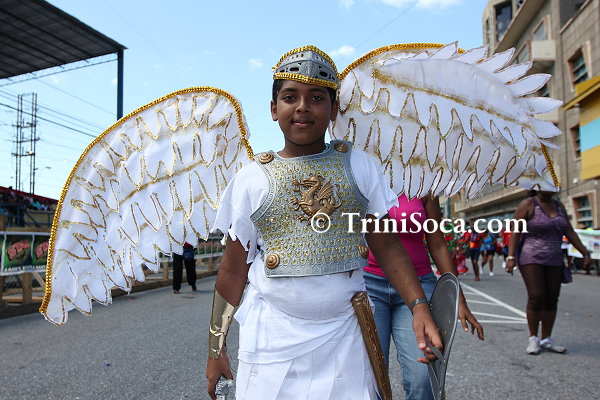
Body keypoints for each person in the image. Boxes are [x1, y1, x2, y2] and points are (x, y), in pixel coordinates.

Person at [205, 46, 443, 400]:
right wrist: (215, 349)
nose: (303, 107)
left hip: (346, 335)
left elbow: (388, 247)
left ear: (333, 109)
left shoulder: (360, 167)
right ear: (274, 109)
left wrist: (419, 306)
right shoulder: (251, 178)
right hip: (270, 338)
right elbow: (233, 269)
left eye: (316, 98)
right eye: (290, 97)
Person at [364, 195, 484, 400]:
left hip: (418, 285)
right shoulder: (365, 179)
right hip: (369, 283)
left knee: (423, 379)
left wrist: (459, 299)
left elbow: (437, 243)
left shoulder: (425, 185)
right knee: (371, 379)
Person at [506, 190, 591, 354]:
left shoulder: (559, 206)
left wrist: (585, 253)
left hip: (554, 258)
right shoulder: (528, 204)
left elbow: (569, 231)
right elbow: (515, 231)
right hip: (531, 257)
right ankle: (533, 338)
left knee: (552, 298)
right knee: (537, 295)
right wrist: (511, 256)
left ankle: (546, 338)